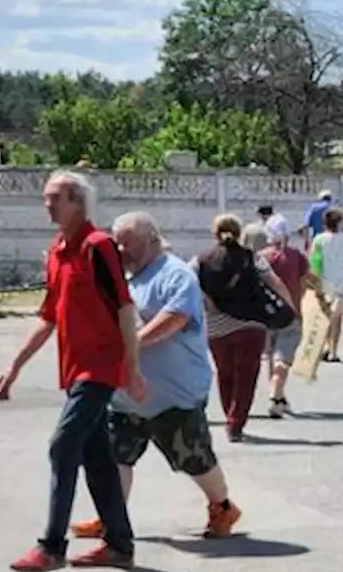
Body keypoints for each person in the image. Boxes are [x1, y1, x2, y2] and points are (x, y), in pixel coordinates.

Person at [0, 169, 144, 572]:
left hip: (98, 371)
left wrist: (131, 367)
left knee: (63, 446)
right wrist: (14, 368)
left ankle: (51, 546)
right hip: (73, 371)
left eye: (55, 198)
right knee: (97, 458)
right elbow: (48, 318)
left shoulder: (99, 247)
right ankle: (119, 544)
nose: (47, 204)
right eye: (46, 198)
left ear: (78, 203)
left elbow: (125, 308)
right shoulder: (58, 251)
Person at [69, 211, 243, 541]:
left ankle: (222, 506)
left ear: (152, 239)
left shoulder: (176, 274)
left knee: (194, 459)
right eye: (116, 243)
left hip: (173, 394)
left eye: (127, 243)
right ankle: (111, 518)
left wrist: (130, 345)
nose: (120, 251)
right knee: (116, 456)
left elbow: (174, 318)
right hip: (126, 394)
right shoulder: (125, 277)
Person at [194, 213, 295, 441]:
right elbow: (274, 282)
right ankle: (235, 423)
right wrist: (290, 307)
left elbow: (188, 283)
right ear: (240, 233)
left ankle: (230, 413)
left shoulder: (201, 259)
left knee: (225, 374)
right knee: (246, 376)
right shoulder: (252, 258)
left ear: (214, 233)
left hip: (217, 327)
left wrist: (208, 303)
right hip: (251, 325)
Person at [260, 215, 315, 418]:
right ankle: (275, 397)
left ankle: (278, 394)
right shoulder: (296, 257)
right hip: (290, 313)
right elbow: (306, 280)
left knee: (271, 356)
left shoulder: (261, 257)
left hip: (265, 315)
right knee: (282, 358)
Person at [309, 207, 343, 362]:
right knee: (337, 318)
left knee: (326, 315)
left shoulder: (318, 239)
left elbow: (314, 261)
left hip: (325, 280)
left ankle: (324, 347)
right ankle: (332, 350)